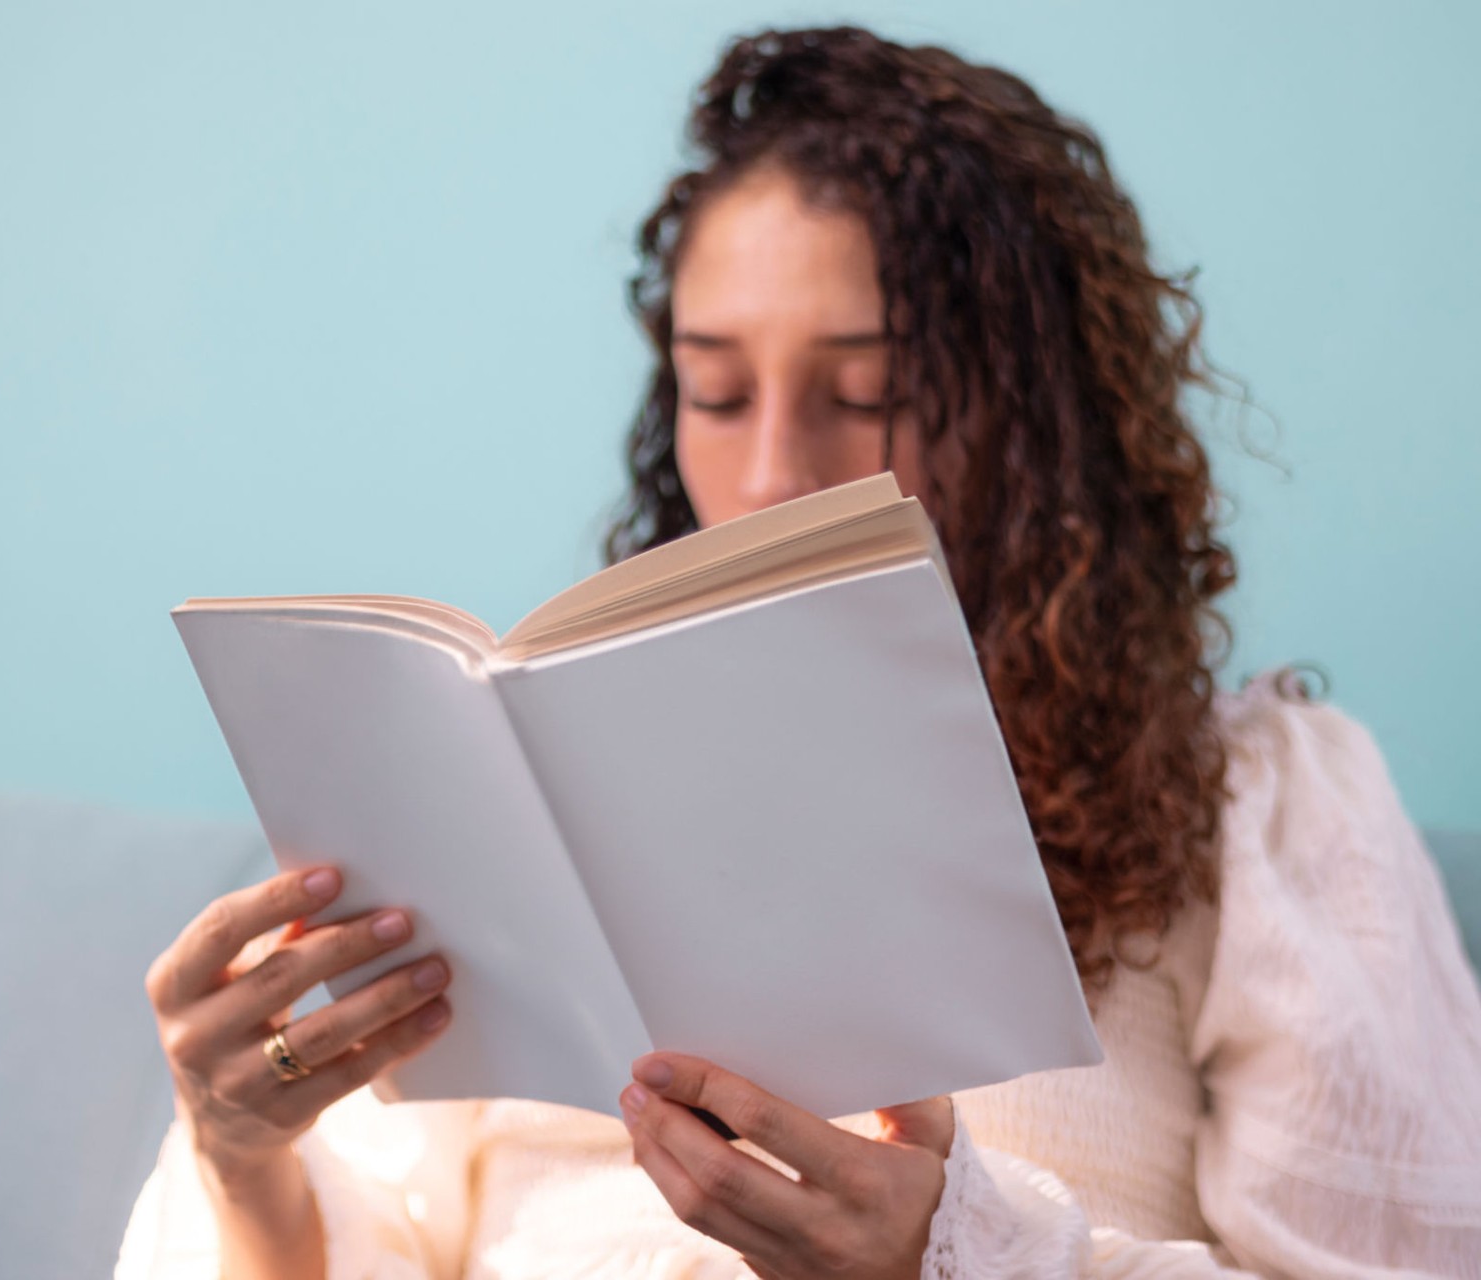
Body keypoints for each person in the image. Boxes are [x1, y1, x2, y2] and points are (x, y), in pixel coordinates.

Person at [116, 25, 1481, 1280]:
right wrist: (239, 1148)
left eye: (867, 394)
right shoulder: (518, 804)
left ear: (1035, 416)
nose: (772, 475)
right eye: (716, 390)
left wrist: (951, 1255)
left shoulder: (1256, 803)